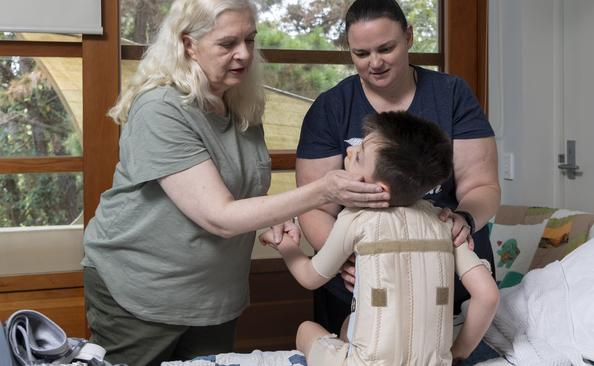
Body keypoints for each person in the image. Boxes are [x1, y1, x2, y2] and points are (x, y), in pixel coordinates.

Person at [80, 1, 389, 365]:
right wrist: (324, 190)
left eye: (250, 40)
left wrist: (273, 216)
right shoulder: (161, 109)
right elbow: (219, 216)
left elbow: (239, 191)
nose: (243, 54)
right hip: (142, 291)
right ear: (188, 44)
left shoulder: (238, 103)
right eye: (228, 44)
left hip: (214, 297)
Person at [295, 0, 501, 335]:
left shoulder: (451, 94)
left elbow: (482, 187)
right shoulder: (331, 107)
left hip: (443, 274)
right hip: (356, 283)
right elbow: (315, 205)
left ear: (408, 35)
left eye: (386, 48)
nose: (374, 63)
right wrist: (348, 260)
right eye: (361, 54)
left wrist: (465, 219)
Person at [261, 111, 499, 365]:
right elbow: (488, 296)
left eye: (359, 154)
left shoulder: (355, 220)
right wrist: (457, 353)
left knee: (306, 330)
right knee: (349, 324)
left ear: (377, 187)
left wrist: (285, 244)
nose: (350, 152)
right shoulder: (445, 222)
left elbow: (309, 277)